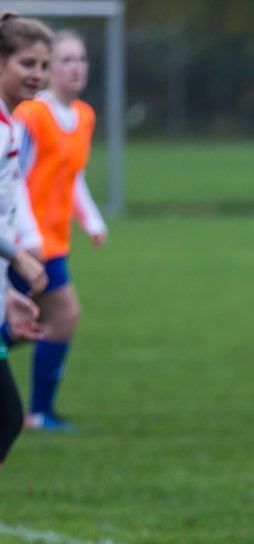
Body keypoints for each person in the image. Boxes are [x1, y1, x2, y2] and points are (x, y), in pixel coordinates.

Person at [2, 29, 107, 432]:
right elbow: (16, 181)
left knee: (40, 321)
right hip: (24, 241)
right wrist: (27, 243)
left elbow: (72, 176)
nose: (74, 67)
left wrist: (92, 221)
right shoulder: (30, 116)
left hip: (48, 240)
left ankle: (38, 412)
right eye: (64, 60)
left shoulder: (84, 115)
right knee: (59, 316)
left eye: (80, 59)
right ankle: (39, 412)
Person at [0, 11, 51, 467]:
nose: (37, 74)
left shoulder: (10, 127)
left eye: (43, 65)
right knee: (6, 417)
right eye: (27, 63)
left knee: (5, 419)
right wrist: (18, 256)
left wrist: (7, 300)